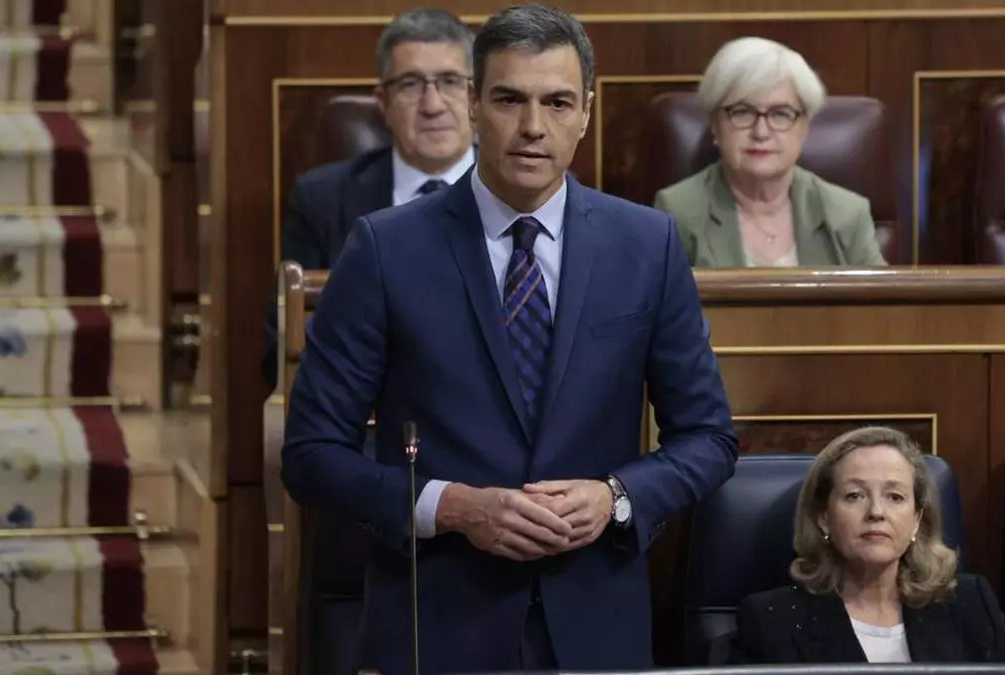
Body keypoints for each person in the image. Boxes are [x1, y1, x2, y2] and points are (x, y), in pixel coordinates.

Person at [280, 4, 738, 674]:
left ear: (586, 112)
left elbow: (709, 437)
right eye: (508, 100)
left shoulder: (646, 244)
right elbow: (311, 454)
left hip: (593, 628)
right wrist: (452, 507)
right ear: (473, 103)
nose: (532, 127)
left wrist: (614, 496)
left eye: (557, 102)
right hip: (439, 625)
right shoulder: (385, 249)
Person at [263, 8, 476, 389]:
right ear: (383, 103)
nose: (432, 105)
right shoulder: (322, 200)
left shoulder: (528, 194)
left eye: (449, 81)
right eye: (410, 84)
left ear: (475, 96)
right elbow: (281, 347)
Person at [735, 427, 1005, 663]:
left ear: (916, 520)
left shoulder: (969, 604)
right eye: (855, 495)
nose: (876, 512)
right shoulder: (773, 621)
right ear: (824, 518)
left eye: (895, 497)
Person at [653, 37, 885, 267]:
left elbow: (881, 293)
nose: (761, 132)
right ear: (715, 124)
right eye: (742, 112)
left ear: (804, 128)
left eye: (780, 114)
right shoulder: (677, 213)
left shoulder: (847, 215)